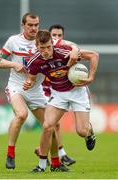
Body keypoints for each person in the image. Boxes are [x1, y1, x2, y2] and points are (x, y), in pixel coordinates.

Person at [0, 13, 80, 170]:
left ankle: (55, 164)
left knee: (51, 126)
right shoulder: (14, 41)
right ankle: (11, 154)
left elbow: (71, 44)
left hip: (36, 90)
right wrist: (13, 64)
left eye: (36, 25)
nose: (34, 28)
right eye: (30, 25)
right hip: (17, 86)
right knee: (21, 115)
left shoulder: (45, 40)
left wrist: (74, 49)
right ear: (23, 25)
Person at [23, 29, 99, 172]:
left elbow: (94, 55)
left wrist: (91, 77)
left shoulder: (65, 52)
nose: (46, 51)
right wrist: (28, 83)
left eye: (48, 47)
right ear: (36, 46)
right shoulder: (34, 61)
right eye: (42, 48)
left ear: (53, 44)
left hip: (77, 92)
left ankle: (89, 131)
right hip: (58, 94)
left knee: (81, 132)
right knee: (47, 126)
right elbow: (32, 78)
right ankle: (41, 165)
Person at [39, 24, 76, 166]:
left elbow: (75, 47)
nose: (56, 37)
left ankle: (54, 153)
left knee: (54, 125)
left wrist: (75, 49)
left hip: (54, 91)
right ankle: (60, 154)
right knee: (52, 124)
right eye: (54, 35)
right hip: (42, 91)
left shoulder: (63, 49)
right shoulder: (42, 50)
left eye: (59, 35)